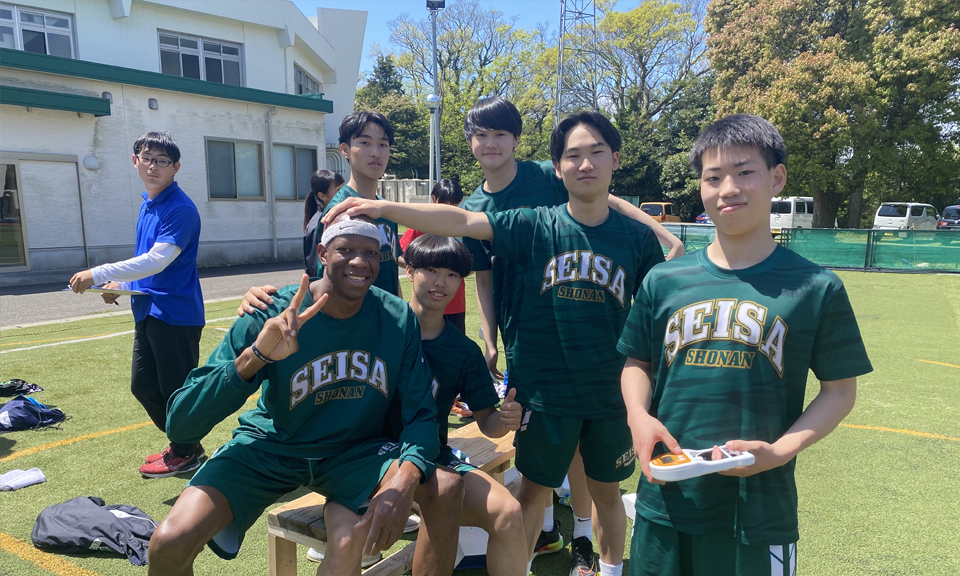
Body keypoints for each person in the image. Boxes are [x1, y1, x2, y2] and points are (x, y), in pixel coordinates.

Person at [324, 110, 666, 576]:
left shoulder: (637, 239)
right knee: (533, 491)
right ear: (557, 167)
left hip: (609, 390)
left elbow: (655, 317)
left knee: (607, 492)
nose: (585, 164)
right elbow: (463, 220)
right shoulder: (533, 224)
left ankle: (609, 570)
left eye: (596, 153)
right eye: (573, 156)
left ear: (615, 159)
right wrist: (384, 209)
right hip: (542, 391)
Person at [617, 114, 872, 576]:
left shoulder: (817, 286)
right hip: (666, 496)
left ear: (777, 178)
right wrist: (638, 415)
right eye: (713, 177)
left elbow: (839, 391)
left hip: (759, 510)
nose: (728, 189)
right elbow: (638, 361)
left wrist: (780, 450)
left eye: (744, 172)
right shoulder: (664, 279)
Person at [147, 213, 463, 576]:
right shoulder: (271, 311)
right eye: (346, 250)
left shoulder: (397, 317)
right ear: (323, 253)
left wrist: (405, 480)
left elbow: (421, 413)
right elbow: (180, 424)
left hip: (352, 452)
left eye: (371, 253)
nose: (360, 262)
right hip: (272, 447)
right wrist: (256, 357)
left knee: (445, 487)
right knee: (168, 543)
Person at [459, 96, 681, 574]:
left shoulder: (546, 174)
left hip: (604, 371)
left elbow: (603, 196)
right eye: (481, 134)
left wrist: (661, 233)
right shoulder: (484, 208)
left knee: (601, 482)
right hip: (535, 350)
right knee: (537, 480)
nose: (583, 163)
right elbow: (479, 270)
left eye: (501, 133)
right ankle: (543, 544)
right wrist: (490, 334)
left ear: (518, 140)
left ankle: (588, 543)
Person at [68, 131, 205, 478]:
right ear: (135, 161)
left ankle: (186, 451)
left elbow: (158, 260)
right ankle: (186, 445)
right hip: (148, 309)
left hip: (175, 314)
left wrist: (99, 273)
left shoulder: (180, 209)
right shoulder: (149, 203)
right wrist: (123, 285)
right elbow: (149, 265)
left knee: (176, 391)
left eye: (162, 161)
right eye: (147, 158)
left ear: (175, 167)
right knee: (143, 386)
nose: (153, 166)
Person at [320, 111, 402, 297]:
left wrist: (400, 309)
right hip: (354, 313)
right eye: (365, 143)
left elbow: (392, 269)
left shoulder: (386, 209)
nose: (375, 152)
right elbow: (325, 282)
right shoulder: (339, 211)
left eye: (383, 144)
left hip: (387, 311)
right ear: (345, 149)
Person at [399, 180, 469, 334]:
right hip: (424, 300)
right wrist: (423, 268)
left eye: (453, 205)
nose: (448, 210)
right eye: (444, 204)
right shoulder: (421, 224)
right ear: (433, 198)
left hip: (455, 302)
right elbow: (399, 256)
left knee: (454, 344)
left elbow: (472, 264)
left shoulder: (464, 226)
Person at [303, 169, 345, 276]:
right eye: (338, 190)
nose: (344, 193)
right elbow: (314, 268)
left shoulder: (335, 218)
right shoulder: (318, 224)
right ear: (322, 196)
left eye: (344, 188)